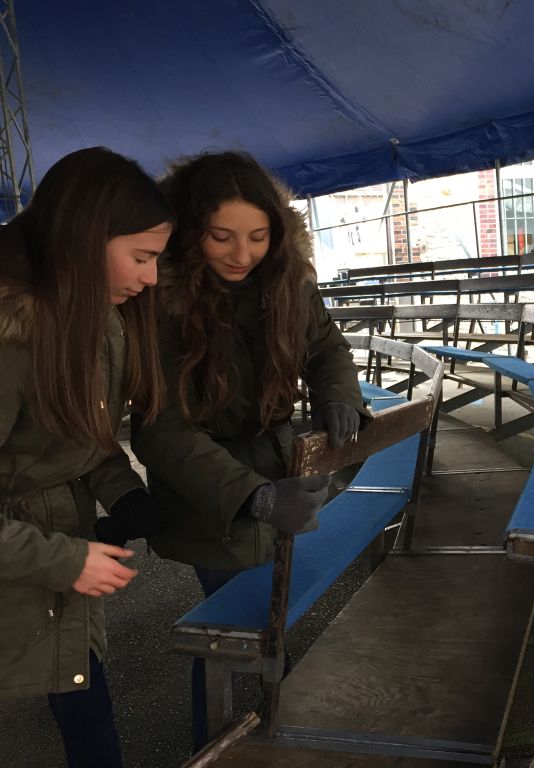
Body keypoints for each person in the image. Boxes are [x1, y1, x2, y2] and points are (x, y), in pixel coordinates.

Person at [130, 150, 368, 748]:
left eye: (258, 237)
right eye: (221, 237)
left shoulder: (288, 280)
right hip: (209, 486)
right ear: (190, 231)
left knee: (264, 610)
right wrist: (252, 497)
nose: (242, 254)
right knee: (231, 622)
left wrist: (338, 393)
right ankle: (220, 740)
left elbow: (326, 346)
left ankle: (271, 722)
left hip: (278, 463)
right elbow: (161, 427)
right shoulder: (157, 301)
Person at [0, 147, 174, 768]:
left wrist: (125, 493)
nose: (152, 278)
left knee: (80, 687)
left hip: (51, 544)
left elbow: (79, 434)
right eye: (142, 257)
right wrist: (66, 559)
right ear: (81, 239)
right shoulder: (12, 336)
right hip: (30, 551)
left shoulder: (97, 317)